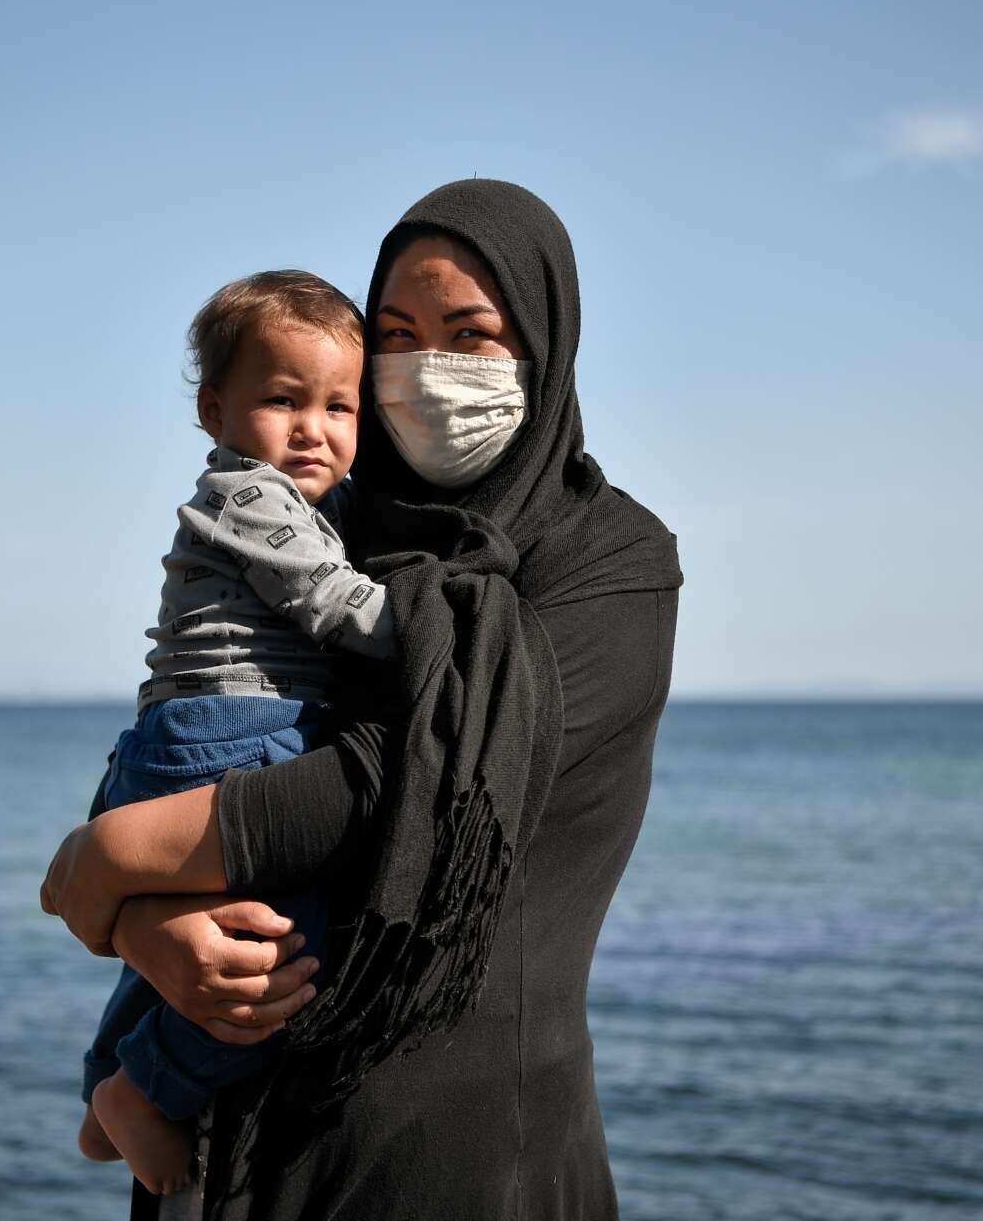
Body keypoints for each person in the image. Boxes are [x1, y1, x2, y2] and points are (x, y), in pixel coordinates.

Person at [42, 179, 683, 1220]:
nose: (428, 369)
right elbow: (206, 706)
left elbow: (393, 785)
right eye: (395, 332)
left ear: (545, 339)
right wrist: (148, 926)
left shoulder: (606, 559)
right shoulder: (342, 524)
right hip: (231, 1150)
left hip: (453, 1157)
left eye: (469, 335)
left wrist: (107, 860)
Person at [71, 270, 396, 1195]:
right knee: (285, 939)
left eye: (341, 407)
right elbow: (337, 607)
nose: (314, 429)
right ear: (216, 409)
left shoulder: (302, 501)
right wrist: (452, 626)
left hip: (185, 730)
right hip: (234, 729)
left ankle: (104, 1086)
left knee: (193, 931)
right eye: (283, 400)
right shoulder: (249, 496)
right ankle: (145, 1088)